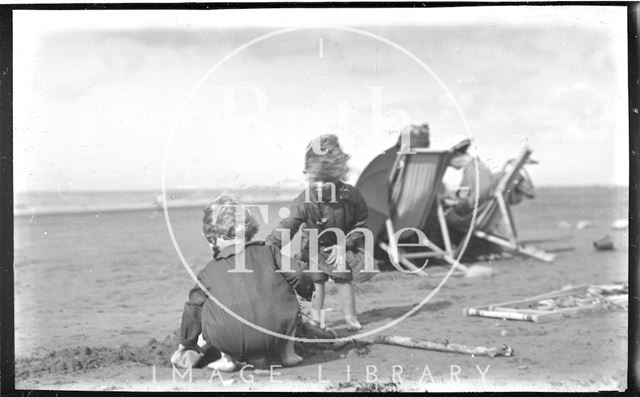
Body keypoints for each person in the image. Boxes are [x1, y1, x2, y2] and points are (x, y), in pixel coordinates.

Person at [170, 195, 315, 371]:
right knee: (287, 297)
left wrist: (186, 343)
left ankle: (227, 359)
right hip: (277, 334)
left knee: (207, 304)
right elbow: (299, 274)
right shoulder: (269, 252)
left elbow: (192, 309)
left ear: (211, 238)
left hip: (231, 340)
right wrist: (307, 292)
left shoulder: (208, 272)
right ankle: (288, 354)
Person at [266, 134, 369, 331]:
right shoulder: (305, 199)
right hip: (312, 245)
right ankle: (315, 319)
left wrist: (345, 244)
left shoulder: (350, 195)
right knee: (316, 283)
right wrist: (268, 248)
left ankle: (350, 317)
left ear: (339, 175)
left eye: (326, 180)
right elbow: (288, 225)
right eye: (316, 180)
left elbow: (361, 224)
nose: (320, 185)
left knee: (343, 279)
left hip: (337, 246)